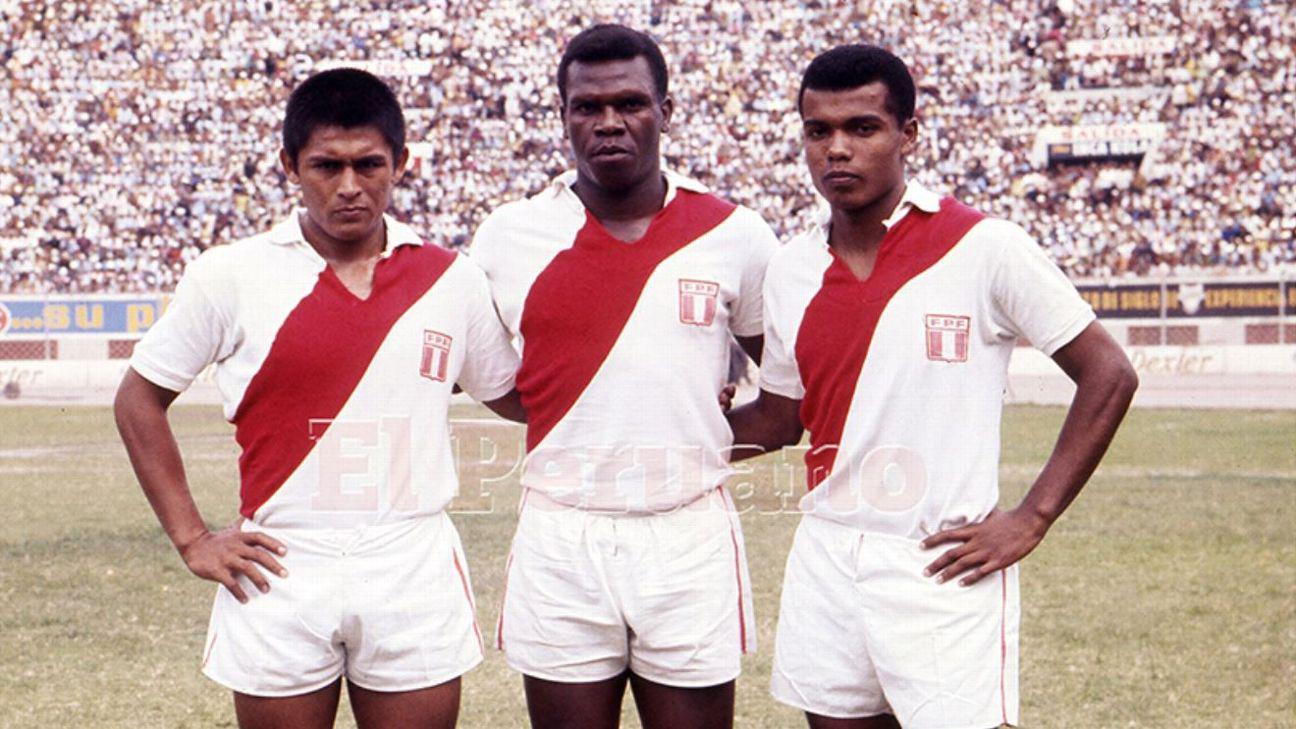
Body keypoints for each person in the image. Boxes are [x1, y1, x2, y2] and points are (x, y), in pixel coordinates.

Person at [727, 45, 1139, 728]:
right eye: (818, 130)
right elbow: (779, 417)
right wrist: (673, 436)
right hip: (828, 553)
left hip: (941, 559)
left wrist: (1032, 517)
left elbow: (1110, 373)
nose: (837, 149)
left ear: (908, 134)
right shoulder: (791, 267)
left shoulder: (982, 246)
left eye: (863, 128)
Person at [114, 68, 523, 729]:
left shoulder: (452, 277)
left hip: (410, 557)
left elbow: (514, 395)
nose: (350, 186)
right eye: (326, 166)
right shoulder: (230, 274)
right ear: (289, 166)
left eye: (369, 164)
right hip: (280, 564)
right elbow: (137, 398)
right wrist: (192, 538)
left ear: (402, 162)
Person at [469, 23, 780, 729]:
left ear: (665, 111)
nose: (609, 122)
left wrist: (692, 438)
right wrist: (596, 427)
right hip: (561, 527)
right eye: (587, 106)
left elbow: (789, 393)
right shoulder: (509, 235)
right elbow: (505, 386)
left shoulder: (735, 233)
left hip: (688, 530)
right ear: (564, 116)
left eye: (631, 103)